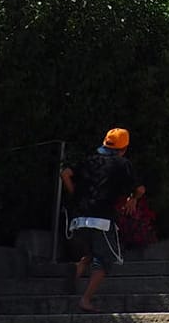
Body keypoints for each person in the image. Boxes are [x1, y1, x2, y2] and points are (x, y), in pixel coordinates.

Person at [60, 127, 143, 313]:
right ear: (124, 148)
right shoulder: (122, 164)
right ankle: (86, 300)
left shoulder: (89, 160)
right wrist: (133, 200)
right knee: (103, 260)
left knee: (90, 252)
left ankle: (78, 268)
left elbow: (65, 174)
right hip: (102, 218)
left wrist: (76, 195)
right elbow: (139, 189)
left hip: (78, 218)